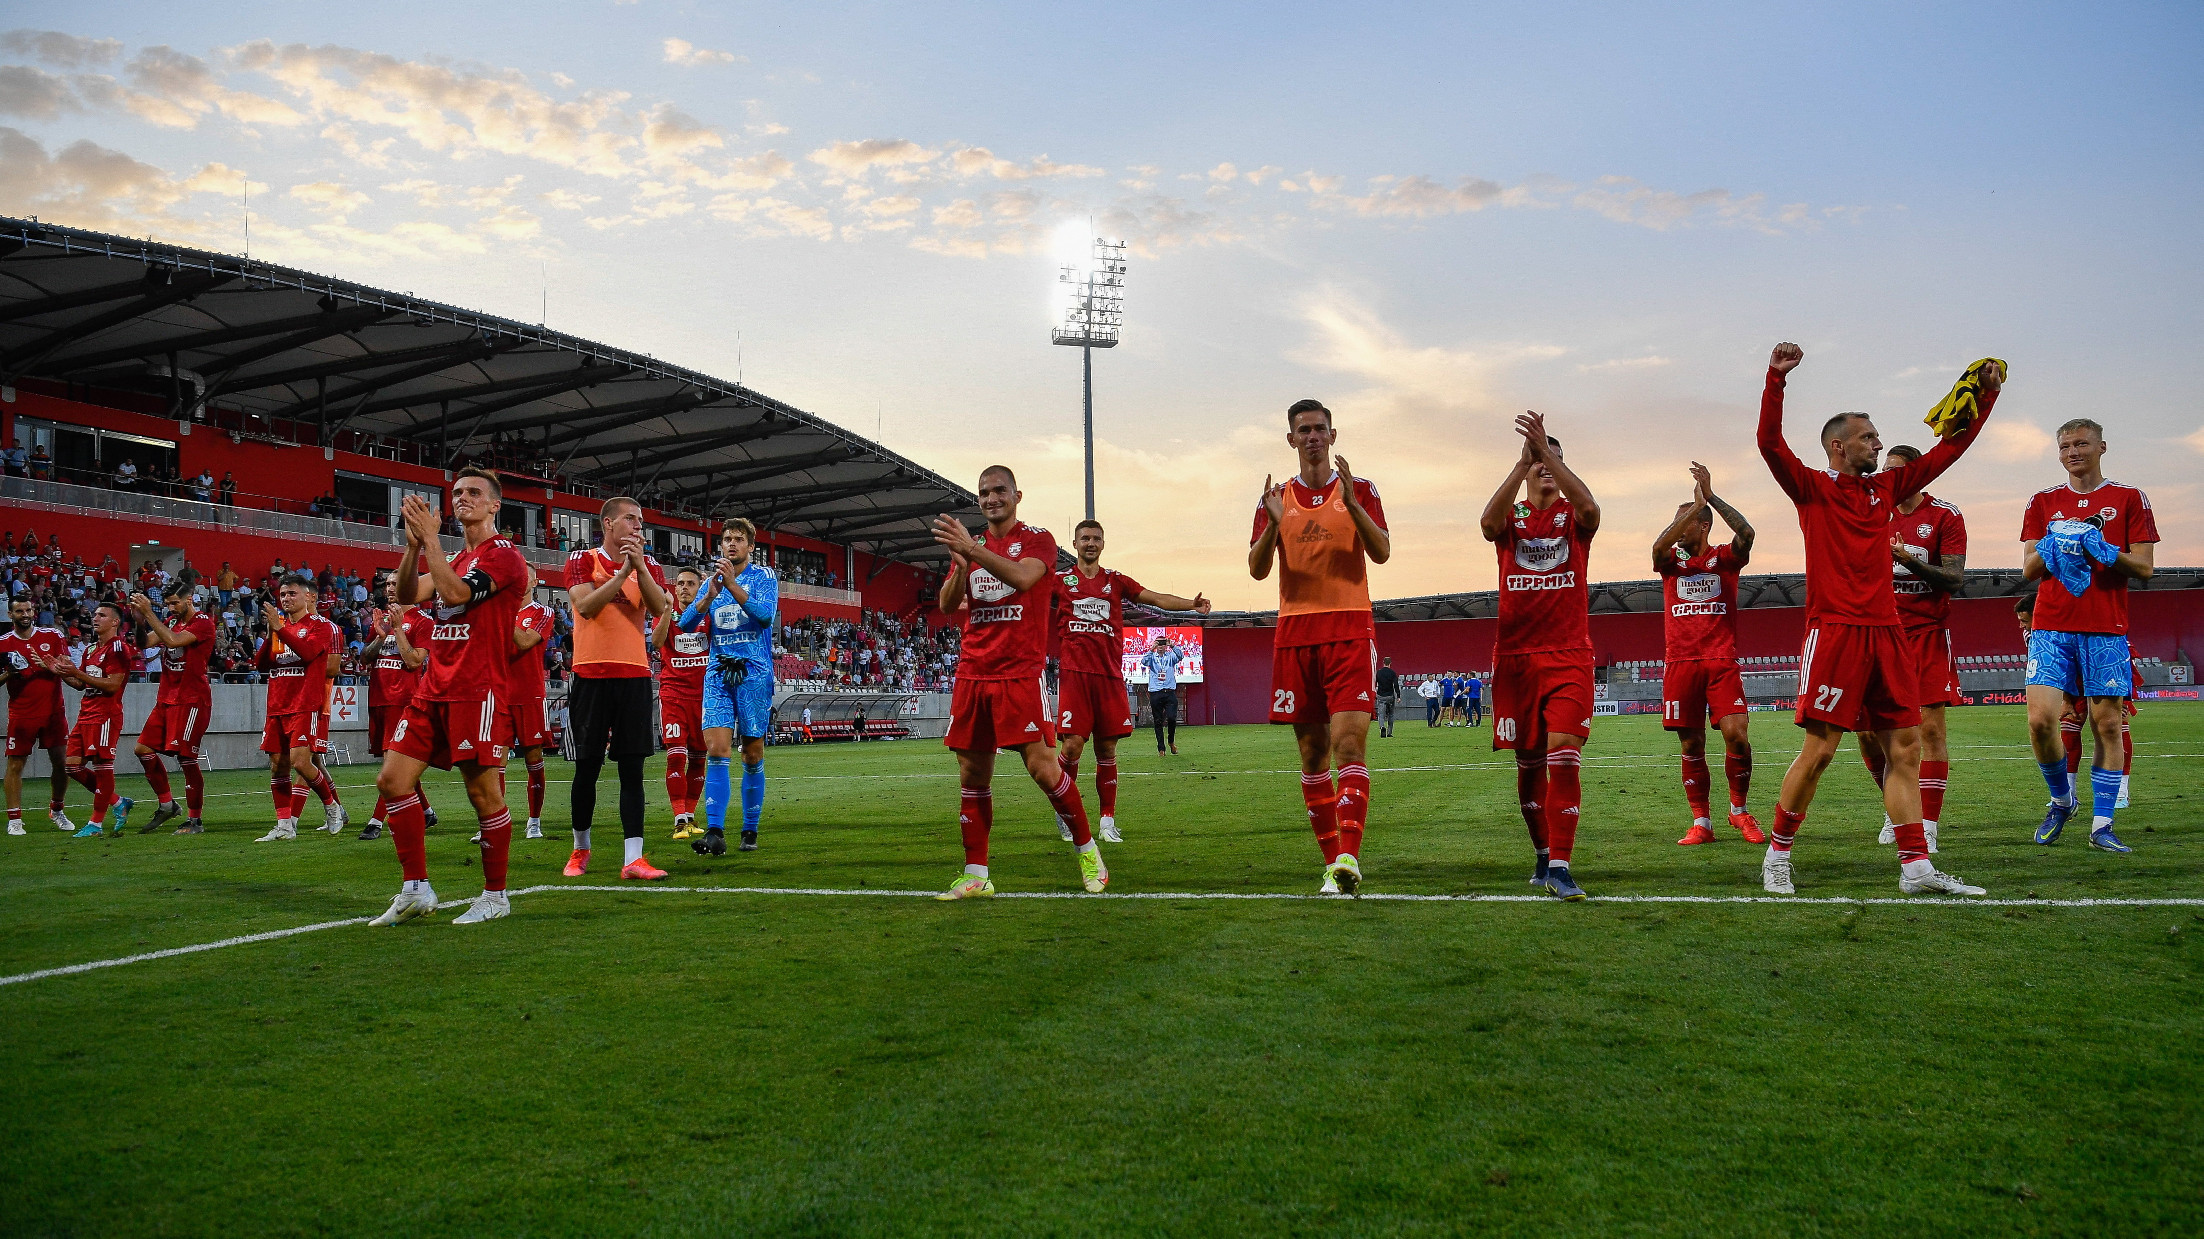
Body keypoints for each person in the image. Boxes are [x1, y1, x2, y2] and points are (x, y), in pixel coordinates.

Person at [1755, 342, 1997, 896]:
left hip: (1890, 634)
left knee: (1905, 750)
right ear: (1838, 447)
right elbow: (1769, 443)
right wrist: (1776, 378)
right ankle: (1777, 856)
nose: (1879, 443)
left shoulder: (1886, 489)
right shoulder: (1813, 489)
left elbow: (1948, 453)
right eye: (1869, 436)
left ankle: (1916, 869)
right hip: (1836, 631)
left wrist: (1986, 398)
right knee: (1818, 752)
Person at [930, 465, 1105, 899]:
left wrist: (974, 550)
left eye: (999, 491)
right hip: (973, 672)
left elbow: (1025, 577)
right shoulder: (973, 546)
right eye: (984, 493)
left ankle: (1087, 850)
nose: (991, 499)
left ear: (1017, 495)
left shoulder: (1038, 539)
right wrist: (960, 564)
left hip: (1020, 673)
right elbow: (949, 605)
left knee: (1044, 769)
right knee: (972, 773)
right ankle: (976, 873)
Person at [367, 468, 531, 926]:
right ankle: (416, 888)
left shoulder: (505, 557)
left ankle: (496, 896)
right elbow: (403, 596)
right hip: (432, 689)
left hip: (478, 692)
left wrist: (432, 542)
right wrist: (414, 545)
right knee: (392, 781)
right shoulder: (453, 556)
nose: (463, 498)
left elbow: (457, 593)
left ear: (495, 505)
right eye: (457, 492)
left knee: (483, 796)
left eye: (474, 493)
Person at [1250, 398, 1390, 896]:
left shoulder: (1362, 490)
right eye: (1303, 430)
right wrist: (1270, 523)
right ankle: (1334, 866)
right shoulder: (1275, 497)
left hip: (1350, 628)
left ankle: (1349, 853)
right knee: (1312, 755)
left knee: (1349, 743)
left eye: (1319, 429)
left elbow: (1383, 552)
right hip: (1296, 632)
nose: (1312, 437)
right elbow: (1257, 569)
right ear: (1291, 439)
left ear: (1333, 436)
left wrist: (1352, 503)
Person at [2020, 418, 2156, 852]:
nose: (2072, 452)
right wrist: (2054, 543)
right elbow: (2028, 570)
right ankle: (2062, 800)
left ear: (2102, 446)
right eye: (2064, 446)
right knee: (2042, 722)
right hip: (2051, 626)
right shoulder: (2043, 502)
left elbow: (2145, 566)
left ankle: (2102, 825)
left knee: (2107, 725)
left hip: (2105, 630)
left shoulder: (2129, 498)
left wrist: (2102, 549)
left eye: (2081, 443)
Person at [1481, 412, 1600, 900]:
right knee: (1528, 764)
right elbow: (1487, 524)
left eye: (1554, 459)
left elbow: (1592, 507)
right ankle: (1541, 852)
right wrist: (1521, 462)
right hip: (1515, 657)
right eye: (1539, 461)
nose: (1545, 467)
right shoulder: (1513, 519)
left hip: (1569, 653)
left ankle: (1562, 865)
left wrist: (1546, 452)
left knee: (1564, 756)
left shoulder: (1574, 518)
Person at [1054, 518, 1211, 841]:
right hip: (1076, 677)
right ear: (1075, 544)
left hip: (1109, 678)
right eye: (1084, 538)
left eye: (1096, 538)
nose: (1090, 543)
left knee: (1107, 749)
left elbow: (1155, 598)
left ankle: (1107, 821)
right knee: (1071, 747)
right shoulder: (1060, 581)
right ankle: (1065, 813)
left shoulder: (1115, 580)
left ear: (1103, 544)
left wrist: (1190, 606)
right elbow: (1024, 593)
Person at [1854, 444, 1968, 853]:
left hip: (1927, 634)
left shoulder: (1945, 515)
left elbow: (1953, 579)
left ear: (1919, 474)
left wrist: (1907, 559)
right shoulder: (1873, 513)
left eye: (1898, 471)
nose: (1889, 477)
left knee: (1930, 730)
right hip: (1879, 634)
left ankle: (1929, 824)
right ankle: (1894, 807)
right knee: (1867, 733)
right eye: (1886, 470)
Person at [1649, 462, 1763, 846]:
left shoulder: (1724, 559)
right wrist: (1684, 514)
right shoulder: (1671, 564)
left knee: (1737, 735)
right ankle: (1702, 822)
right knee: (1691, 744)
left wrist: (1709, 498)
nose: (1676, 529)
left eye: (1684, 522)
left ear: (1702, 525)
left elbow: (1747, 532)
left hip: (1720, 661)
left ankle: (1739, 812)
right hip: (1680, 663)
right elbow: (1657, 548)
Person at [560, 496, 672, 880]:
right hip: (590, 675)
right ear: (608, 523)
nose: (639, 526)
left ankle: (633, 858)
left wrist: (638, 567)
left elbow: (659, 610)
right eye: (631, 519)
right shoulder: (581, 559)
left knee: (632, 770)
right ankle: (580, 849)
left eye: (640, 521)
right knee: (587, 768)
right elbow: (586, 606)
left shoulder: (651, 565)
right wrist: (623, 573)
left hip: (635, 676)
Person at [680, 517, 777, 855]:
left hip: (753, 672)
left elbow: (764, 615)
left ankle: (749, 830)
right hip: (719, 673)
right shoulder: (713, 582)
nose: (732, 544)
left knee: (752, 752)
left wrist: (733, 585)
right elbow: (686, 623)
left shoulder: (764, 576)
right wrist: (707, 596)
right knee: (716, 749)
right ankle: (716, 831)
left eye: (739, 539)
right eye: (727, 539)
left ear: (751, 546)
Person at [252, 575, 344, 841]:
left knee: (301, 762)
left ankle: (331, 806)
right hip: (277, 704)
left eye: (292, 594)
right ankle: (284, 826)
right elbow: (262, 665)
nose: (286, 599)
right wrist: (272, 632)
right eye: (283, 595)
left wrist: (279, 629)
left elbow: (306, 653)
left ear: (308, 596)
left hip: (305, 703)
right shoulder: (280, 628)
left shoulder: (320, 626)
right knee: (277, 766)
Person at [127, 585, 218, 833]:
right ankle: (167, 805)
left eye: (175, 603)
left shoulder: (203, 622)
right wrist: (138, 621)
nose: (171, 608)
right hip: (166, 698)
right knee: (142, 749)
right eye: (167, 604)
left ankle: (195, 820)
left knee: (186, 758)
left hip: (191, 701)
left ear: (190, 600)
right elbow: (144, 643)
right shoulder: (170, 620)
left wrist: (148, 613)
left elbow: (173, 640)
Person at [48, 602, 135, 836]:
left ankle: (95, 824)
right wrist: (62, 673)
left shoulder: (118, 649)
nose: (95, 618)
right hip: (86, 713)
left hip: (105, 715)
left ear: (115, 622)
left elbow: (114, 685)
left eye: (102, 615)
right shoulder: (90, 650)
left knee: (102, 767)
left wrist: (76, 672)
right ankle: (118, 802)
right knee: (72, 767)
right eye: (95, 614)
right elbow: (81, 684)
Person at [359, 577, 436, 841]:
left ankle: (376, 821)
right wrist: (380, 637)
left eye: (396, 583)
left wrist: (398, 629)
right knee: (395, 763)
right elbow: (365, 658)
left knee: (392, 766)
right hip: (378, 698)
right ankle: (426, 810)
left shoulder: (423, 622)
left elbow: (415, 662)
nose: (390, 588)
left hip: (404, 701)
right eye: (388, 584)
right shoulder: (378, 619)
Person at [0, 597, 76, 833]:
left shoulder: (53, 635)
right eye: (19, 611)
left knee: (62, 763)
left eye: (28, 610)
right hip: (22, 713)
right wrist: (10, 674)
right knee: (16, 764)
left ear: (34, 611)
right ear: (10, 614)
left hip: (54, 712)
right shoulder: (2, 643)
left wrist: (47, 666)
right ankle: (14, 820)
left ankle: (57, 809)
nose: (25, 614)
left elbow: (67, 667)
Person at [654, 566, 709, 840]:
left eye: (690, 583)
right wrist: (665, 611)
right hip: (674, 694)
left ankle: (689, 815)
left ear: (700, 588)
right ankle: (678, 819)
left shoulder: (709, 615)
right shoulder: (665, 613)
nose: (684, 587)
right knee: (676, 756)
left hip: (705, 697)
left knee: (699, 759)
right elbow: (656, 642)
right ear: (675, 589)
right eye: (680, 584)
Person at [507, 569, 556, 840]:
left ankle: (533, 821)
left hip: (529, 696)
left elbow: (525, 641)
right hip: (499, 696)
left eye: (525, 575)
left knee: (533, 760)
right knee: (494, 763)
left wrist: (501, 613)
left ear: (534, 581)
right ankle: (491, 823)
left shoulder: (542, 612)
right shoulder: (498, 612)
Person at [1140, 634, 1188, 754]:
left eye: (1163, 644)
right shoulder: (1152, 656)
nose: (1161, 647)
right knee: (1158, 721)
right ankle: (1161, 748)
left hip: (1169, 692)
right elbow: (1143, 661)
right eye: (1159, 644)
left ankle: (1171, 741)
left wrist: (1172, 645)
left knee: (1172, 718)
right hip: (1156, 692)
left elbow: (1181, 656)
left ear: (1166, 645)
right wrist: (1151, 649)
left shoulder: (1170, 656)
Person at [1374, 656, 1399, 738]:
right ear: (1390, 663)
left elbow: (1374, 684)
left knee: (1381, 714)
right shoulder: (1392, 673)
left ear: (1383, 662)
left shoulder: (1378, 672)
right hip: (1390, 696)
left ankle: (1382, 727)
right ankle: (1389, 732)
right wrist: (1398, 696)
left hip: (1381, 696)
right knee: (1391, 714)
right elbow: (1396, 685)